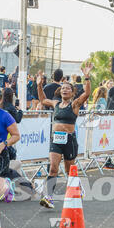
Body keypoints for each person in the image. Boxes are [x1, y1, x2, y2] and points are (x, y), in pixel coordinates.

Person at [36, 62, 94, 209]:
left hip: (69, 140)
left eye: (68, 88)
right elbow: (43, 100)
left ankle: (78, 188)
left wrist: (86, 77)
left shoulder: (74, 104)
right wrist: (38, 85)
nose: (65, 90)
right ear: (60, 91)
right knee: (53, 169)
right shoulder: (55, 104)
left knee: (70, 171)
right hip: (56, 140)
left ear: (72, 92)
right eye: (63, 88)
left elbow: (87, 93)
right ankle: (48, 197)